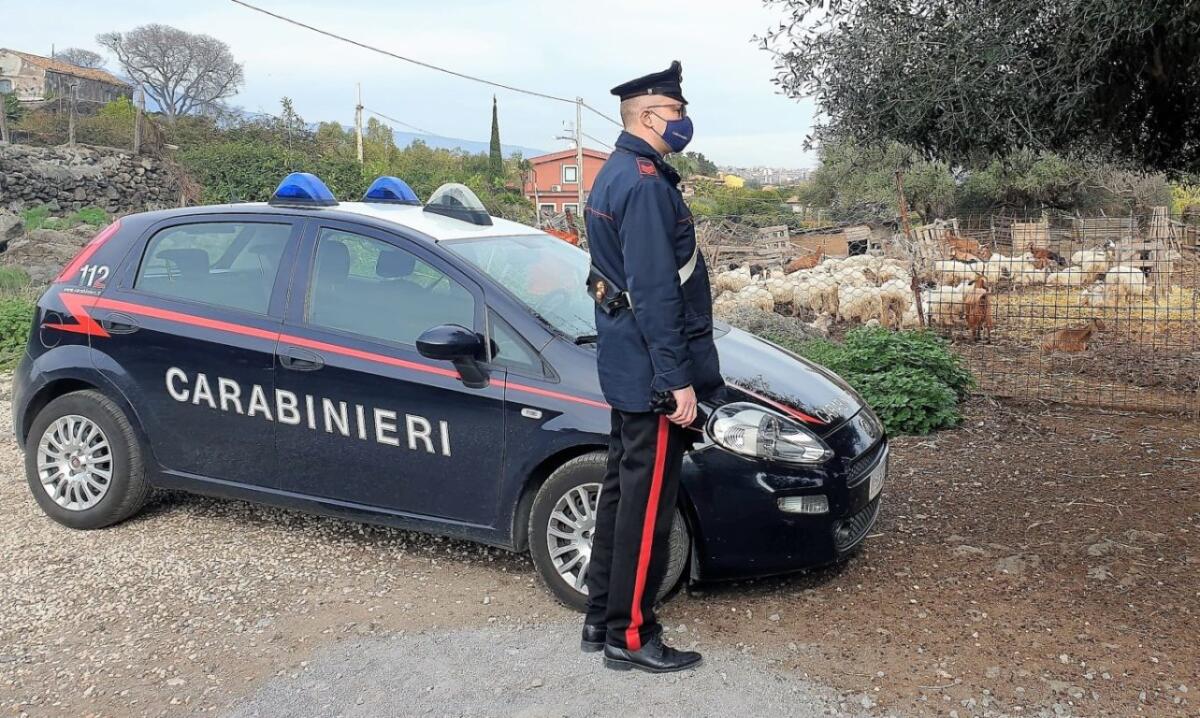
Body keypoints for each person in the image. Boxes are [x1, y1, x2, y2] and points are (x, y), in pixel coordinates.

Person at [580, 60, 723, 674]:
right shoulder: (642, 184)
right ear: (647, 115)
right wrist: (677, 381)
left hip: (628, 365)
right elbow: (656, 293)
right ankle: (630, 637)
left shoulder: (619, 174)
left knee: (620, 492)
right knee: (647, 507)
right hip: (653, 374)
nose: (684, 121)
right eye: (676, 111)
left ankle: (599, 616)